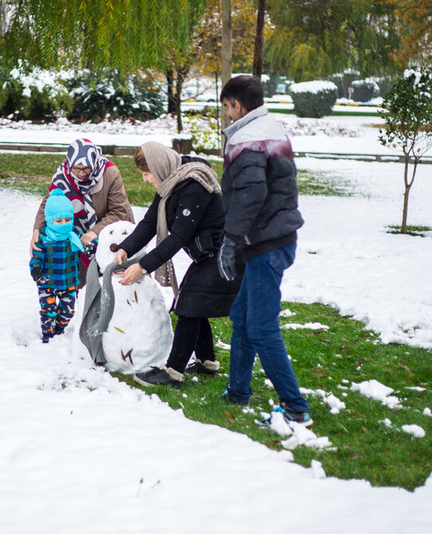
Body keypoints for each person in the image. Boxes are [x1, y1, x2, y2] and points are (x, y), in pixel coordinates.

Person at [216, 74, 312, 427]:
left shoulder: (247, 138)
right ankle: (238, 391)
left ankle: (295, 408)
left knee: (260, 327)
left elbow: (251, 194)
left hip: (266, 244)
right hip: (276, 238)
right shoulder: (272, 129)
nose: (226, 114)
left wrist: (230, 240)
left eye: (226, 107)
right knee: (242, 316)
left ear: (236, 105)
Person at [113, 142, 242, 388]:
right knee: (193, 303)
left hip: (227, 255)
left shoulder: (193, 186)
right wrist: (125, 248)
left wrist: (142, 266)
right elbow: (150, 222)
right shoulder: (170, 182)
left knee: (188, 304)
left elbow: (179, 237)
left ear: (157, 167)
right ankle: (206, 362)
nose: (145, 179)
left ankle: (173, 373)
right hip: (209, 255)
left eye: (145, 173)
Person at [31, 138, 134, 285]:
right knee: (82, 282)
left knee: (112, 282)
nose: (81, 173)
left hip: (109, 236)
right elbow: (49, 203)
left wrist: (95, 232)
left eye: (86, 168)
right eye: (76, 168)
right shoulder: (63, 176)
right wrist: (37, 230)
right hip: (77, 237)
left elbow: (119, 211)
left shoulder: (109, 173)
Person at [29, 189, 93, 343]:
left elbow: (86, 244)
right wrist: (36, 269)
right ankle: (48, 334)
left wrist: (91, 246)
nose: (64, 224)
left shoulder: (74, 234)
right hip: (47, 282)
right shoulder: (43, 237)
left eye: (67, 219)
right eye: (58, 221)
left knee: (68, 311)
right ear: (50, 220)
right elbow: (36, 257)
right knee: (48, 311)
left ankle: (59, 329)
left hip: (69, 282)